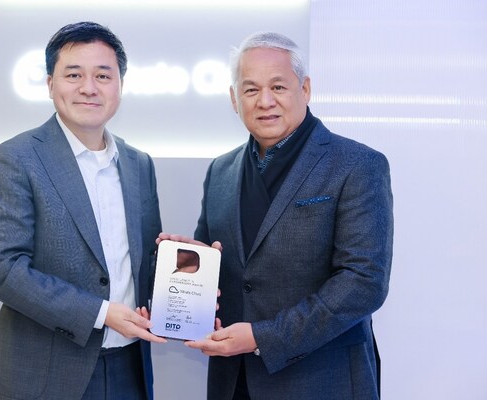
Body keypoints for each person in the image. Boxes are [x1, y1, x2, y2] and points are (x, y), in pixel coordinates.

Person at [162, 31, 393, 399]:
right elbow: (218, 266)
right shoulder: (221, 171)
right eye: (251, 90)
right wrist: (187, 263)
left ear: (305, 89)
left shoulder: (357, 165)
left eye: (278, 87)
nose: (265, 101)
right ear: (234, 99)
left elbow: (363, 283)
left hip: (320, 380)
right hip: (232, 381)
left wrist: (262, 337)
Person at [0, 21, 166, 400]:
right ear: (51, 84)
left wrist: (183, 269)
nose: (89, 88)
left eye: (103, 75)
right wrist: (100, 312)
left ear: (120, 85)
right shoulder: (16, 158)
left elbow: (142, 261)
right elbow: (3, 269)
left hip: (129, 368)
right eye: (74, 74)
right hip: (41, 375)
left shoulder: (138, 163)